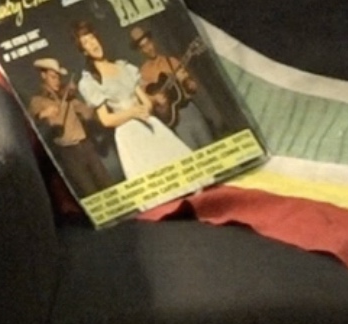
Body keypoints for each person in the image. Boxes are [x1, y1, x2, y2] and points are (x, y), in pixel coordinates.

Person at [73, 18, 193, 182]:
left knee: (183, 172)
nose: (92, 44)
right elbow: (107, 120)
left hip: (149, 125)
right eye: (86, 42)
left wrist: (144, 108)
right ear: (84, 51)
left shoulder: (123, 66)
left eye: (92, 38)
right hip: (129, 136)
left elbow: (147, 103)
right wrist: (131, 113)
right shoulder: (90, 81)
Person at [25, 57, 117, 198]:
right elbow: (30, 125)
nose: (57, 81)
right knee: (88, 191)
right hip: (68, 152)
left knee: (108, 184)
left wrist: (86, 96)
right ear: (43, 76)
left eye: (59, 78)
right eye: (53, 77)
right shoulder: (37, 101)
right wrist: (42, 114)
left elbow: (88, 113)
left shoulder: (68, 97)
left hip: (86, 146)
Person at [128, 23, 215, 149]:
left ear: (153, 42)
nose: (148, 48)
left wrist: (186, 81)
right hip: (173, 119)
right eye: (143, 47)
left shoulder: (171, 61)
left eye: (148, 43)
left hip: (189, 110)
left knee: (210, 147)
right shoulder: (143, 73)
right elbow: (144, 100)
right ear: (140, 51)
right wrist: (155, 99)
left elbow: (193, 88)